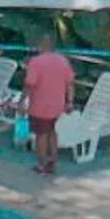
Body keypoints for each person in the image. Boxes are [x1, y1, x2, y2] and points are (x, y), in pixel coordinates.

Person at [21, 31, 75, 178]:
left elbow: (30, 84)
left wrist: (21, 102)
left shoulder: (36, 62)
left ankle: (42, 164)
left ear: (42, 45)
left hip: (40, 105)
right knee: (51, 131)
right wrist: (69, 102)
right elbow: (70, 83)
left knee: (41, 135)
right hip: (57, 105)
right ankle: (52, 163)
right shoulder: (63, 61)